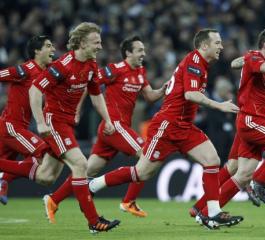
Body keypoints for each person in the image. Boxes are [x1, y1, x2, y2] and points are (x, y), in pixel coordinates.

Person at [89, 29, 243, 230]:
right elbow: (190, 95)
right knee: (141, 173)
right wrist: (219, 104)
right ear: (204, 45)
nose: (221, 46)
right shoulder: (194, 63)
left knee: (212, 160)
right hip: (167, 125)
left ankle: (212, 213)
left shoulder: (202, 64)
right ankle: (94, 185)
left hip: (184, 127)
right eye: (217, 42)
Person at [0, 22, 120, 233]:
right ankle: (94, 221)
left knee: (45, 177)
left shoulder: (91, 65)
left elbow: (96, 94)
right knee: (80, 164)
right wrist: (40, 122)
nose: (100, 46)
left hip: (67, 124)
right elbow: (35, 91)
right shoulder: (63, 65)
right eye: (96, 42)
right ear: (82, 43)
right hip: (54, 122)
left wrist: (108, 119)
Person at [43, 35, 167, 223]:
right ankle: (129, 201)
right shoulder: (114, 69)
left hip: (114, 129)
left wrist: (163, 90)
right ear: (128, 53)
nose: (144, 53)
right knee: (148, 155)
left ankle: (53, 199)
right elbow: (89, 85)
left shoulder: (141, 71)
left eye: (144, 50)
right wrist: (77, 109)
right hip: (114, 125)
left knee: (87, 171)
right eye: (140, 50)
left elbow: (149, 96)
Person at [192, 27, 265, 218]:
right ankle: (260, 181)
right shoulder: (254, 57)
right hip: (250, 120)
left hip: (254, 122)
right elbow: (264, 67)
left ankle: (203, 210)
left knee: (238, 172)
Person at [0, 35, 55, 205]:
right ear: (37, 51)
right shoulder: (24, 70)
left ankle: (3, 180)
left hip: (18, 129)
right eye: (48, 46)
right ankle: (3, 180)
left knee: (13, 163)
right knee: (45, 152)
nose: (53, 49)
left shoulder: (47, 72)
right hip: (11, 127)